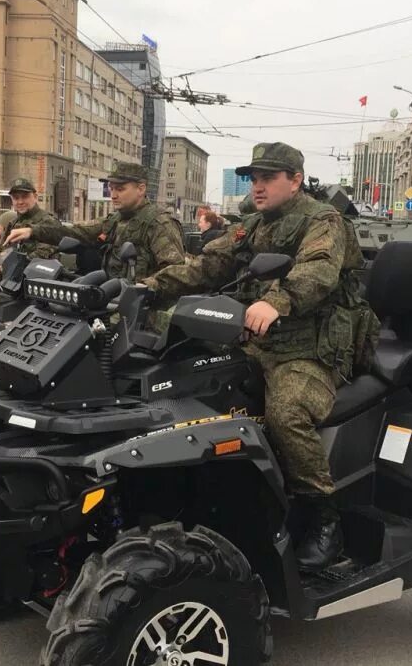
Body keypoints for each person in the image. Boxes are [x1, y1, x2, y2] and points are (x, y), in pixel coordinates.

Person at [142, 143, 371, 570]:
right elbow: (206, 267)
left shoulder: (323, 221)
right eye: (253, 178)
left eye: (268, 177)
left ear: (296, 179)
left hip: (309, 350)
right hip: (252, 343)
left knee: (286, 412)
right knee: (189, 387)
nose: (258, 186)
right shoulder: (250, 226)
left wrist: (277, 301)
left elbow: (318, 270)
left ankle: (321, 515)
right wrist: (148, 288)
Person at [6, 162, 184, 281]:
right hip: (113, 299)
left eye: (120, 189)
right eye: (111, 188)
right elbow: (74, 232)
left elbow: (175, 272)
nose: (113, 195)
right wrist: (33, 231)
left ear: (141, 189)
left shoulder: (159, 223)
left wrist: (144, 288)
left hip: (142, 310)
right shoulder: (114, 220)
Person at [0, 178, 61, 258]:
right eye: (16, 198)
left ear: (35, 197)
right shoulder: (13, 223)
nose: (20, 202)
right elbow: (1, 250)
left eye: (24, 197)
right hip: (13, 269)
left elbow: (43, 253)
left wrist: (14, 262)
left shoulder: (49, 222)